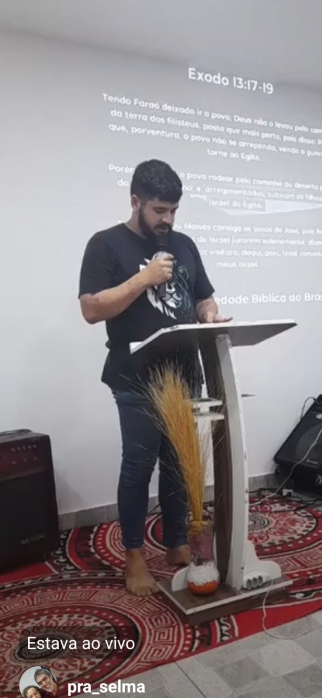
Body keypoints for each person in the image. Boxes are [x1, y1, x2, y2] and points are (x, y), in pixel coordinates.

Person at [79, 160, 229, 596]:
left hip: (184, 372)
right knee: (138, 465)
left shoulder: (184, 245)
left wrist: (209, 313)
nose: (167, 219)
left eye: (173, 211)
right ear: (135, 202)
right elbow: (91, 309)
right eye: (159, 210)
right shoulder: (105, 244)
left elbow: (203, 297)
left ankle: (176, 541)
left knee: (180, 463)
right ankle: (134, 555)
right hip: (136, 377)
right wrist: (142, 279)